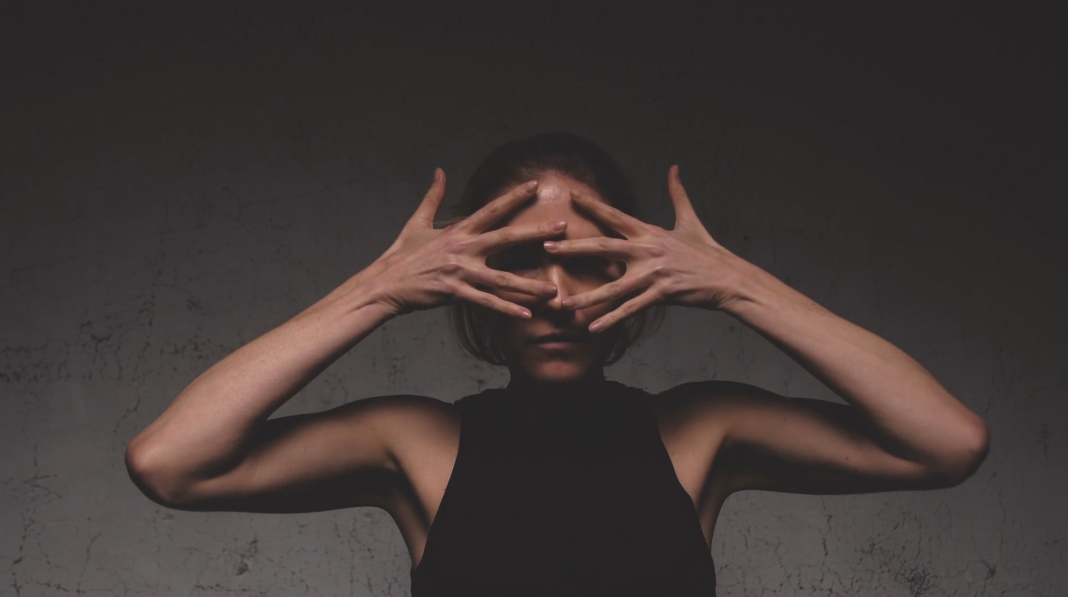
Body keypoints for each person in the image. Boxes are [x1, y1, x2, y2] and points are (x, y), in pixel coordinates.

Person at [125, 132, 990, 596]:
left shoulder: (703, 431)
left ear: (633, 274)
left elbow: (945, 442)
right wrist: (378, 289)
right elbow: (171, 461)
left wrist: (736, 284)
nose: (555, 295)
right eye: (518, 263)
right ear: (469, 286)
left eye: (586, 262)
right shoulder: (416, 444)